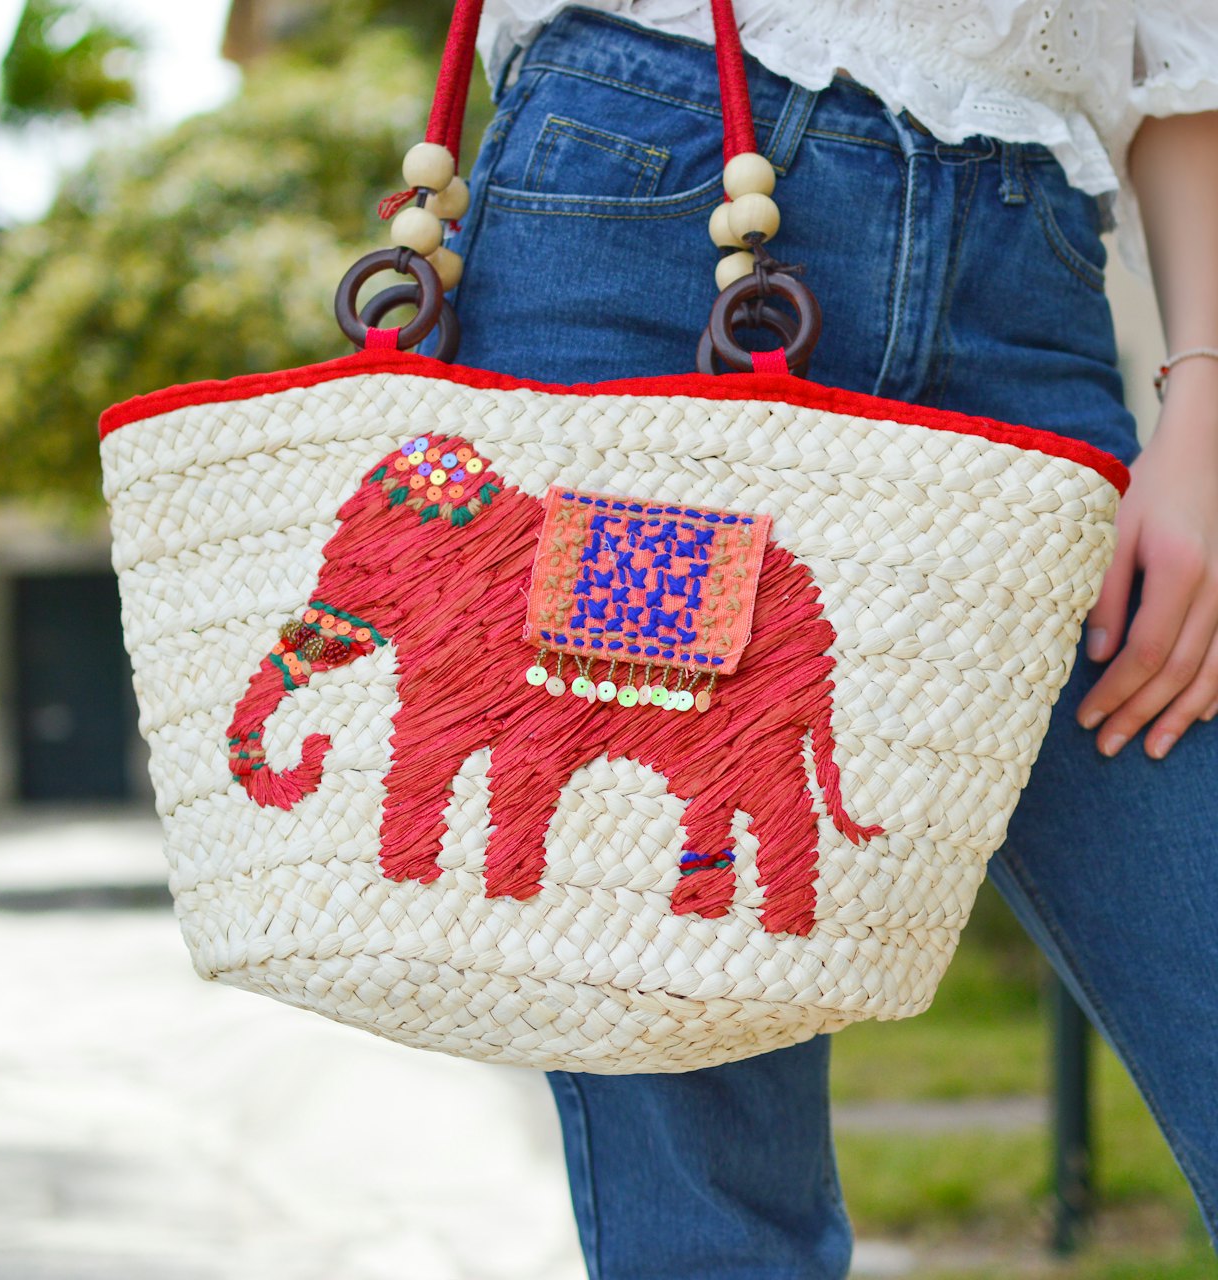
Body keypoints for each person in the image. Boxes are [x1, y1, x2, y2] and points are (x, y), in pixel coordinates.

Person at [434, 2, 1218, 1274]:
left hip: (1023, 277)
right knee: (708, 1155)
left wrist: (1207, 404)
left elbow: (1185, 49)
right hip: (649, 217)